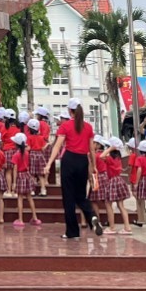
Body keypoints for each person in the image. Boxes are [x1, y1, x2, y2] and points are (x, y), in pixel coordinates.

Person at [45, 98, 102, 239]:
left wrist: (49, 163)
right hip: (83, 161)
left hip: (69, 160)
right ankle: (92, 216)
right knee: (81, 195)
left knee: (69, 198)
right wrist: (94, 166)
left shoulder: (65, 126)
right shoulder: (88, 127)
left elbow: (57, 146)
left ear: (70, 111)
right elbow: (91, 150)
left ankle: (72, 232)